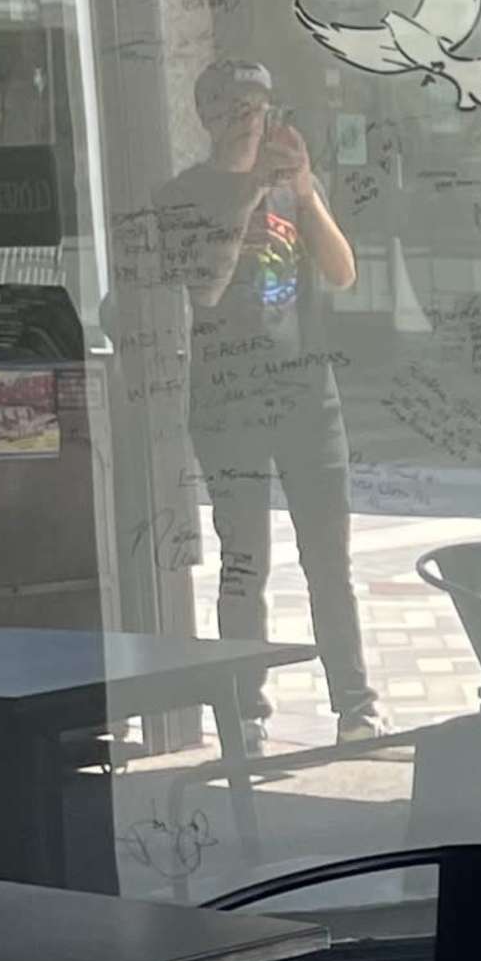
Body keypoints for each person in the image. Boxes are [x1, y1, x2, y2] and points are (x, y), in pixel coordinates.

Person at [157, 59, 379, 743]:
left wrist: (305, 192)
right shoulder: (184, 195)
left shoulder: (292, 185)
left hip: (308, 395)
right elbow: (205, 288)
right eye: (237, 108)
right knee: (245, 561)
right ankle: (245, 713)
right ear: (209, 117)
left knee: (329, 561)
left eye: (259, 106)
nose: (252, 120)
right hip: (229, 402)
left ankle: (356, 706)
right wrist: (249, 192)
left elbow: (342, 271)